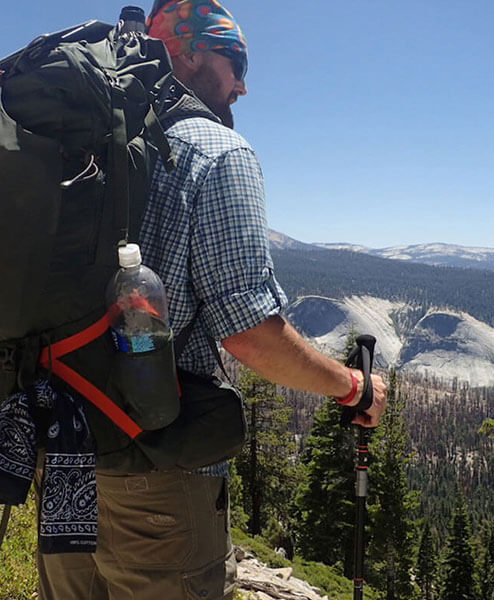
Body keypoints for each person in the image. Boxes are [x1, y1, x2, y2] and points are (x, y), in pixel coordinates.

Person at [34, 2, 388, 598]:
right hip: (157, 472)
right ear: (190, 53)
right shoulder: (217, 151)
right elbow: (250, 333)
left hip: (60, 450)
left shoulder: (76, 141)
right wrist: (354, 387)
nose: (244, 84)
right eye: (236, 61)